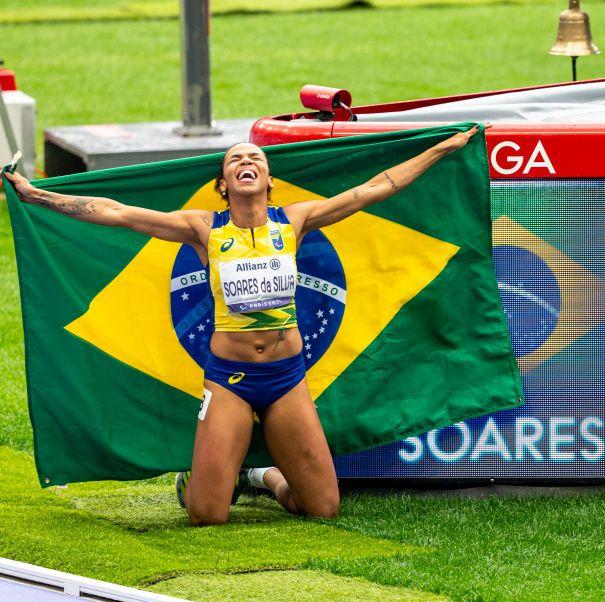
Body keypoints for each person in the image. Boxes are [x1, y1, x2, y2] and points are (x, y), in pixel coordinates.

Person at [3, 125, 483, 525]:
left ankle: (261, 476)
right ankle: (207, 479)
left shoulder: (294, 221)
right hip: (230, 380)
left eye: (254, 156)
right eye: (235, 161)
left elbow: (376, 187)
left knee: (321, 508)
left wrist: (442, 148)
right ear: (224, 185)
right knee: (206, 515)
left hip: (287, 378)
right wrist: (37, 195)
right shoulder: (204, 229)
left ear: (269, 179)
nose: (245, 161)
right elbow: (118, 213)